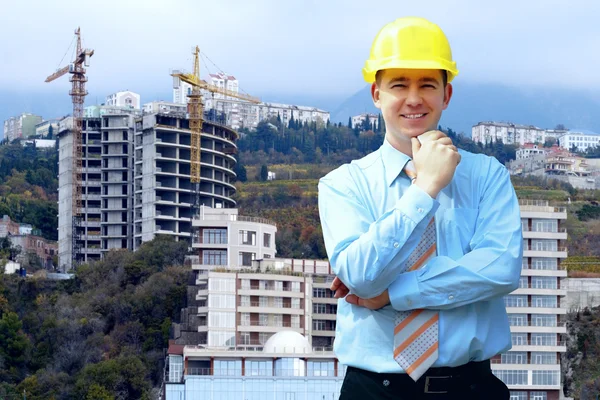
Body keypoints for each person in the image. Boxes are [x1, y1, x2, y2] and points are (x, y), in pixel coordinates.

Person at [317, 17, 523, 399]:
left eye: (427, 84)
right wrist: (425, 189)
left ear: (446, 95)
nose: (414, 98)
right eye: (399, 85)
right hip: (373, 390)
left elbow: (500, 268)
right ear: (377, 94)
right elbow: (361, 277)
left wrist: (396, 293)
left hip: (472, 387)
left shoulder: (487, 176)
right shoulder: (343, 184)